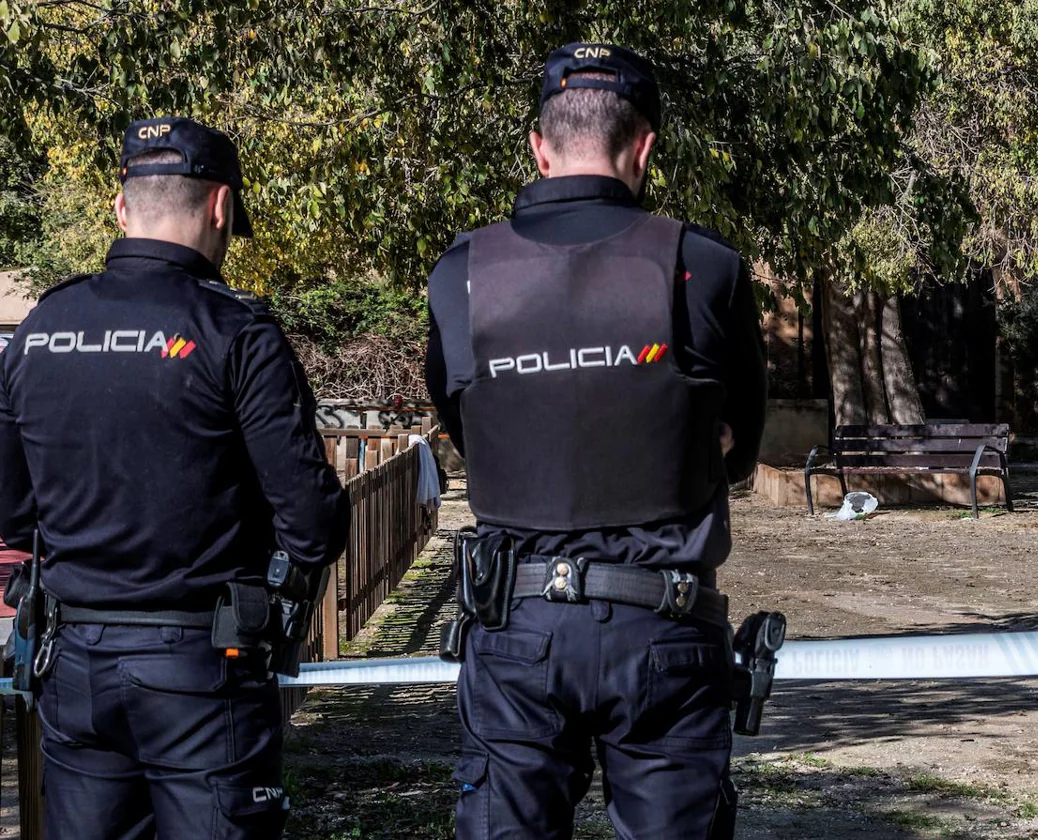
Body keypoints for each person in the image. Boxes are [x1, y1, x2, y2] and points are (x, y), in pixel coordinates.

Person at [425, 43, 768, 840]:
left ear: (539, 148)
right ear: (644, 147)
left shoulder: (462, 274)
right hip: (665, 630)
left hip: (515, 629)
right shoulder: (704, 266)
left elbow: (468, 429)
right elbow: (742, 449)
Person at [0, 117, 349, 839]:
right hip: (200, 670)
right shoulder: (235, 331)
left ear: (121, 205)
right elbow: (313, 518)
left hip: (75, 669)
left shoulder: (41, 329)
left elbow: (8, 509)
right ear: (220, 207)